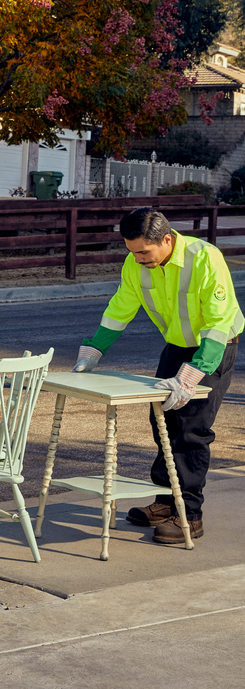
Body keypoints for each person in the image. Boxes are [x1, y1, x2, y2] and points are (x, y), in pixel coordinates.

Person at [73, 207, 243, 544]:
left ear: (166, 239)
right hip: (176, 349)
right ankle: (167, 503)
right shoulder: (136, 264)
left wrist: (191, 376)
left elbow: (218, 321)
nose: (137, 259)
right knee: (163, 424)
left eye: (143, 252)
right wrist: (92, 352)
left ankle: (189, 516)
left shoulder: (205, 258)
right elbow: (120, 308)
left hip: (214, 348)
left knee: (191, 431)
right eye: (131, 251)